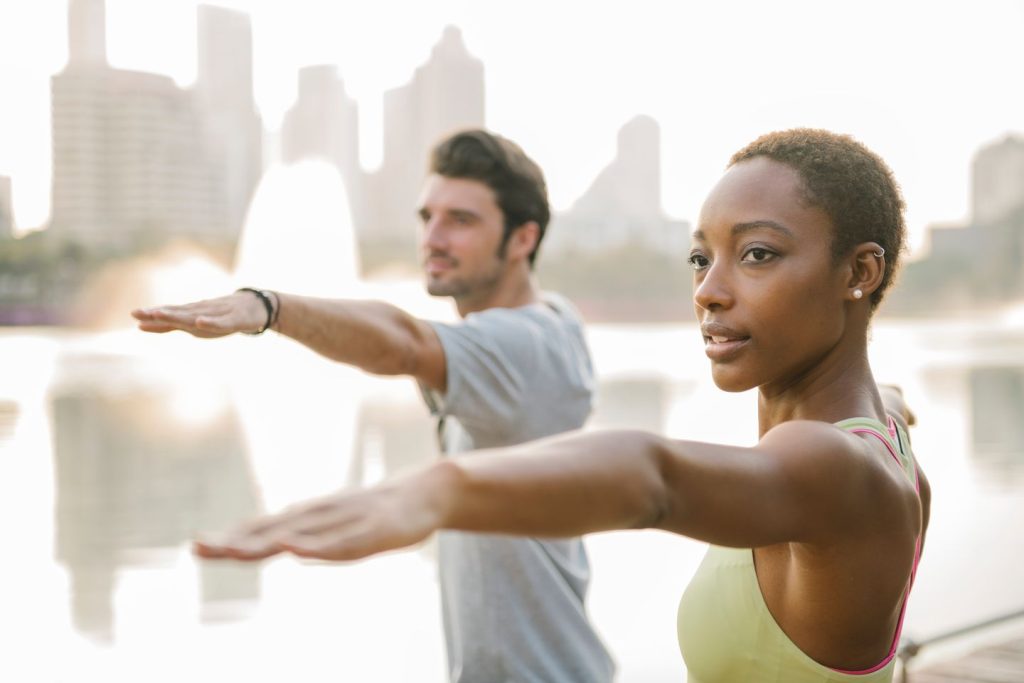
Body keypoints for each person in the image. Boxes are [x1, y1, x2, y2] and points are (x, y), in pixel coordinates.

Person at [192, 128, 932, 682]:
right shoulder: (873, 439)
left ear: (858, 272)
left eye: (759, 254)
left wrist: (439, 490)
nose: (709, 290)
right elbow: (885, 410)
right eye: (701, 258)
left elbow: (654, 477)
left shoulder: (835, 467)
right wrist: (892, 398)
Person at [132, 130, 615, 683]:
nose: (432, 238)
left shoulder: (524, 347)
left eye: (461, 220)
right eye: (426, 216)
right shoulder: (551, 320)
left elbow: (403, 342)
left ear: (522, 238)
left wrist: (268, 308)